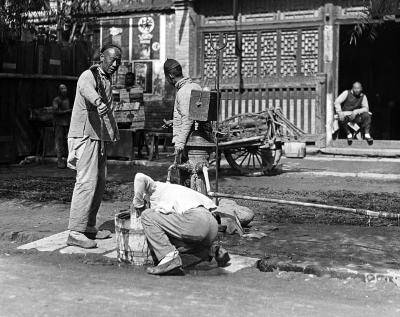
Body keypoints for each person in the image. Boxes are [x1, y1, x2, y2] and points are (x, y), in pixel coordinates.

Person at [66, 44, 122, 249]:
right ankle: (74, 231)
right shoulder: (88, 75)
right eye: (112, 59)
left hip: (97, 136)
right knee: (86, 182)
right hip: (84, 135)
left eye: (118, 61)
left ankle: (88, 226)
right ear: (101, 57)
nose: (115, 64)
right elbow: (85, 89)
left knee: (98, 183)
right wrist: (98, 101)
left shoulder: (105, 79)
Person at [132, 173, 230, 275]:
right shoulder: (174, 189)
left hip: (195, 221)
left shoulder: (154, 189)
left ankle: (169, 259)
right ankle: (214, 251)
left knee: (147, 216)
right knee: (175, 237)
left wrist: (139, 205)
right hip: (212, 225)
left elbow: (139, 177)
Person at [163, 59, 202, 186]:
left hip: (189, 143)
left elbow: (188, 118)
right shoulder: (195, 86)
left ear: (170, 76)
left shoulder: (183, 91)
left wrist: (179, 144)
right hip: (199, 140)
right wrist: (174, 122)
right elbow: (193, 114)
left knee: (186, 179)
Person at [52, 84, 71, 169]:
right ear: (59, 90)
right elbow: (55, 111)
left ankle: (68, 160)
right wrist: (67, 111)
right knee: (59, 142)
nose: (64, 90)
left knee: (67, 142)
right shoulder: (56, 100)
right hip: (59, 124)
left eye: (65, 88)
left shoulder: (67, 99)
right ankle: (59, 161)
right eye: (62, 88)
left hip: (66, 123)